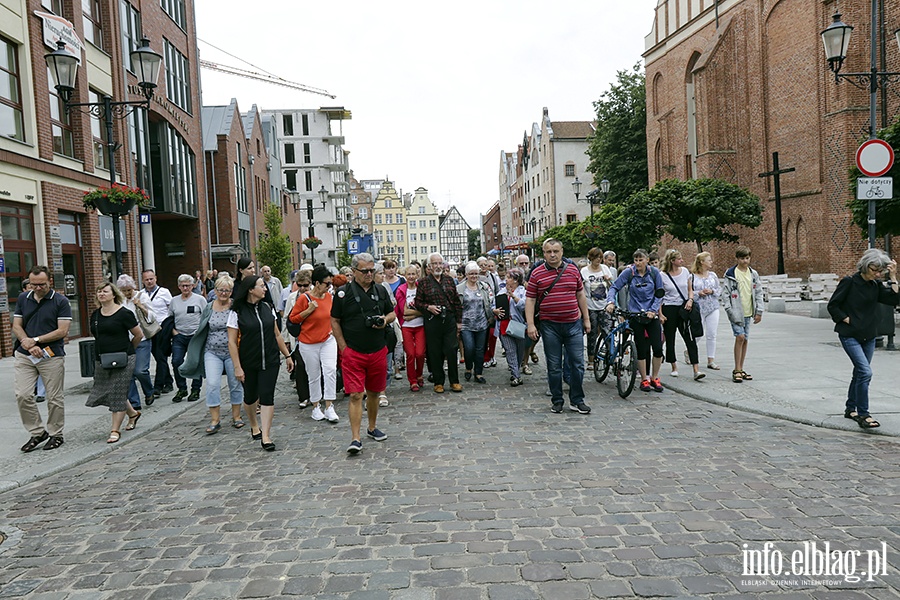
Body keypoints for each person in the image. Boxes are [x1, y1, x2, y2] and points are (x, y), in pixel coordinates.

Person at [331, 253, 395, 454]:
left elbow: (392, 313)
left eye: (372, 270)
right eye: (365, 271)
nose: (369, 274)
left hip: (377, 349)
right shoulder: (343, 294)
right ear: (354, 272)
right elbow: (334, 320)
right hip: (353, 351)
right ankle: (355, 438)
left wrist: (384, 320)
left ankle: (372, 427)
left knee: (375, 393)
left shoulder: (381, 291)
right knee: (356, 395)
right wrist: (343, 347)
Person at [827, 249, 898, 429]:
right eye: (875, 270)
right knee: (865, 372)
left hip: (869, 335)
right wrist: (847, 319)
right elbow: (833, 305)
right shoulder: (849, 282)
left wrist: (894, 277)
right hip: (850, 335)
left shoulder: (875, 285)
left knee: (860, 372)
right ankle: (863, 414)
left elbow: (894, 299)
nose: (878, 273)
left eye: (881, 271)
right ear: (865, 266)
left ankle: (850, 408)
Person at [228, 276, 294, 451]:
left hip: (271, 360)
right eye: (261, 286)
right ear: (250, 289)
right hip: (248, 361)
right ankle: (253, 424)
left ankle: (266, 435)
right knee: (250, 397)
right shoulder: (237, 312)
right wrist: (237, 366)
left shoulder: (267, 308)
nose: (265, 289)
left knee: (267, 396)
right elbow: (232, 342)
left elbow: (277, 334)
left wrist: (287, 355)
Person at [525, 238, 591, 414]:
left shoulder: (572, 270)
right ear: (543, 253)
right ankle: (557, 400)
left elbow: (580, 295)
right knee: (554, 366)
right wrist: (531, 324)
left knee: (578, 364)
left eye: (556, 251)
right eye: (549, 251)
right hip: (550, 326)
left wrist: (586, 319)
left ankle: (577, 400)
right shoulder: (537, 273)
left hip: (573, 324)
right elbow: (530, 299)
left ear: (562, 252)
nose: (552, 254)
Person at [13, 266, 72, 452]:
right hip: (25, 353)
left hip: (51, 355)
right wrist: (28, 343)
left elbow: (62, 331)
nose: (37, 288)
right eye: (33, 284)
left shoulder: (60, 301)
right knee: (22, 394)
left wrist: (36, 340)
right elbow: (16, 325)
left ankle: (56, 434)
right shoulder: (24, 298)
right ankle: (37, 432)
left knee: (54, 397)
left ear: (50, 281)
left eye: (41, 284)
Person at [179, 274, 245, 434]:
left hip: (232, 352)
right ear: (214, 290)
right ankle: (215, 420)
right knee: (213, 384)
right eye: (220, 290)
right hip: (212, 351)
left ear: (231, 292)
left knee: (235, 383)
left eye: (227, 290)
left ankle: (236, 416)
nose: (223, 293)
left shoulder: (235, 306)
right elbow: (203, 327)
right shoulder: (209, 306)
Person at [85, 282, 143, 443]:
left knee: (118, 391)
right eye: (99, 292)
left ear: (113, 294)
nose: (101, 294)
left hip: (124, 357)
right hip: (102, 357)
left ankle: (114, 430)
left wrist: (128, 350)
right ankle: (132, 413)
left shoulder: (124, 313)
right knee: (106, 391)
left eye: (105, 291)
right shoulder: (96, 314)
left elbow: (138, 335)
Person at [606, 249, 666, 393]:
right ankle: (644, 378)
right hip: (635, 314)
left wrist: (653, 310)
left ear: (646, 260)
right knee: (641, 348)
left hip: (651, 315)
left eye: (641, 260)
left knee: (657, 347)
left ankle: (655, 377)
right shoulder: (629, 273)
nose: (638, 263)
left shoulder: (654, 273)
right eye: (636, 260)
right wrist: (610, 302)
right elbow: (614, 287)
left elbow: (660, 293)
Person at [289, 266, 339, 424]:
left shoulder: (330, 297)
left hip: (327, 340)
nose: (329, 286)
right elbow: (293, 318)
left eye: (330, 283)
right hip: (308, 342)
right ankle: (316, 406)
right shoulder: (305, 298)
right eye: (326, 283)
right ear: (317, 283)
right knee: (314, 374)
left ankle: (329, 405)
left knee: (330, 370)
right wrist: (308, 311)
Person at [414, 252, 464, 393]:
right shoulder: (423, 282)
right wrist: (428, 307)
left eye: (440, 263)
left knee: (451, 349)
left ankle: (454, 381)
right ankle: (438, 381)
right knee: (434, 352)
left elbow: (456, 302)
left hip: (448, 319)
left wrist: (459, 322)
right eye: (434, 263)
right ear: (429, 266)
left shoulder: (449, 280)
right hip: (432, 320)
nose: (437, 266)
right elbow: (418, 302)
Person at [659, 249, 705, 381]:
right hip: (669, 308)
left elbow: (690, 289)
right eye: (679, 259)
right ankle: (674, 366)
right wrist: (660, 314)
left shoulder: (685, 272)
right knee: (670, 338)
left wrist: (690, 300)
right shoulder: (662, 275)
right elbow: (660, 297)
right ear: (672, 261)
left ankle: (696, 368)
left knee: (689, 337)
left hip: (684, 307)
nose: (682, 261)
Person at [722, 246, 764, 383]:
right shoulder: (731, 273)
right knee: (739, 337)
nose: (745, 261)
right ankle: (737, 369)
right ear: (737, 258)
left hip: (748, 311)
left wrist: (759, 311)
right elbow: (726, 293)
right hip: (736, 311)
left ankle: (741, 367)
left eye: (747, 258)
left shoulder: (753, 274)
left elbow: (758, 292)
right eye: (742, 258)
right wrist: (729, 310)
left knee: (745, 339)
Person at [457, 261, 500, 384]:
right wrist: (457, 322)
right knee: (469, 348)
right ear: (466, 274)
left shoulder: (484, 286)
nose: (474, 276)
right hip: (466, 324)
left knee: (481, 349)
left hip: (482, 323)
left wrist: (492, 313)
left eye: (476, 273)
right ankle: (469, 367)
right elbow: (456, 306)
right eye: (471, 274)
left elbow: (490, 302)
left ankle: (478, 372)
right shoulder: (460, 288)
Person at [118, 275, 154, 410]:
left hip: (142, 338)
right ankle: (134, 402)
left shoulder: (142, 296)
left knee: (140, 370)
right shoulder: (118, 300)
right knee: (128, 373)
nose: (127, 293)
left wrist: (140, 305)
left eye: (129, 290)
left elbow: (152, 316)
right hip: (125, 340)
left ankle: (149, 391)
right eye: (124, 290)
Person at [170, 274, 207, 402]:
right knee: (176, 361)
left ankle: (196, 389)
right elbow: (169, 319)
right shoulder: (174, 301)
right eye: (183, 286)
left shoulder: (200, 300)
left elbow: (206, 316)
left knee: (195, 362)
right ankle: (182, 388)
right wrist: (174, 332)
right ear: (179, 287)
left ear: (193, 286)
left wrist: (201, 333)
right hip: (179, 335)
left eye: (188, 285)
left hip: (195, 336)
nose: (185, 288)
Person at [138, 269, 173, 398]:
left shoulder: (164, 292)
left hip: (161, 329)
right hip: (148, 329)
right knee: (159, 357)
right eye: (146, 279)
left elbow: (171, 309)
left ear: (156, 278)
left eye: (151, 279)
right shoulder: (140, 295)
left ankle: (158, 386)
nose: (149, 281)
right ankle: (168, 381)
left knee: (161, 356)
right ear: (143, 281)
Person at [581, 248, 612, 370]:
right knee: (592, 333)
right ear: (591, 258)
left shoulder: (605, 269)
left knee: (607, 331)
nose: (598, 260)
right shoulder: (584, 271)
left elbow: (612, 287)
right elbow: (580, 289)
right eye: (595, 257)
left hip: (604, 305)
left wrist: (608, 280)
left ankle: (610, 355)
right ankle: (591, 359)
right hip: (590, 306)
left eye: (600, 257)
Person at [397, 264, 425, 391]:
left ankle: (419, 374)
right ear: (405, 275)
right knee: (410, 354)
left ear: (417, 275)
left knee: (420, 353)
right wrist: (417, 312)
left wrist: (415, 314)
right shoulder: (402, 290)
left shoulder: (421, 288)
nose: (411, 276)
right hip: (406, 326)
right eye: (409, 274)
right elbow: (404, 313)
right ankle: (412, 380)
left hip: (420, 325)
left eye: (413, 274)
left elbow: (424, 310)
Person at [691, 252, 721, 370]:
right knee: (698, 333)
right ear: (702, 262)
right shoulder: (692, 276)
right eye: (709, 260)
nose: (711, 262)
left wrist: (712, 291)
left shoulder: (713, 275)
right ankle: (690, 350)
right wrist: (698, 293)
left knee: (712, 334)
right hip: (699, 308)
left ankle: (711, 360)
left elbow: (719, 289)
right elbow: (688, 292)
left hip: (712, 306)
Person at [500, 268, 528, 386]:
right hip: (504, 325)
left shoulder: (523, 291)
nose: (506, 280)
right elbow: (494, 304)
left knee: (519, 351)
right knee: (510, 351)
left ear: (515, 280)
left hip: (519, 326)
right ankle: (516, 375)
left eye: (509, 277)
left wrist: (513, 296)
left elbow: (524, 306)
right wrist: (495, 310)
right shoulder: (501, 291)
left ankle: (515, 370)